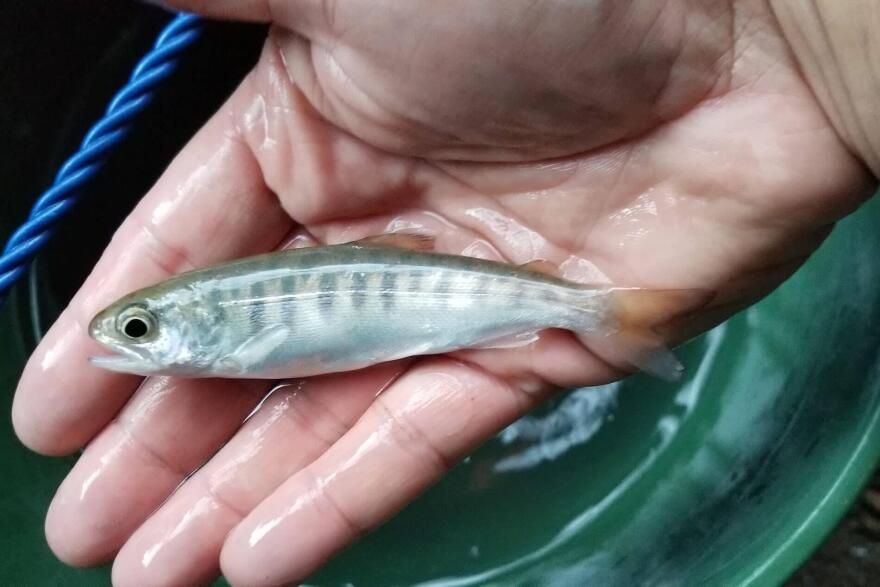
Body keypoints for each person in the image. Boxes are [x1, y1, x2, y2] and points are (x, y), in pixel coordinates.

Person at [11, 1, 880, 585]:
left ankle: (611, 314)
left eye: (138, 326)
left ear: (190, 319)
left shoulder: (223, 333)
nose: (129, 341)